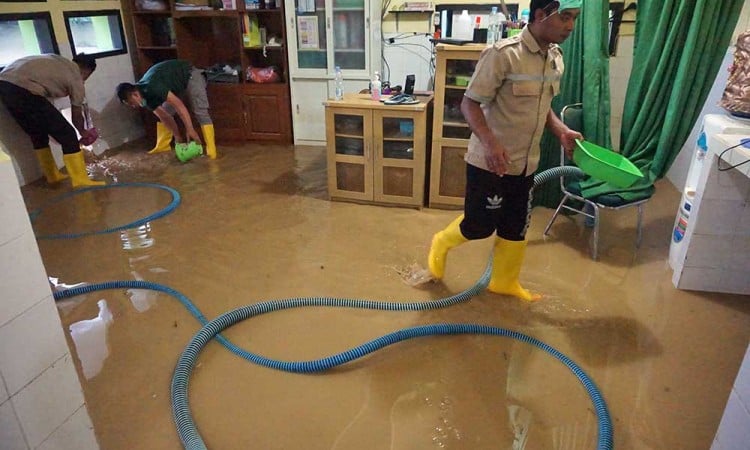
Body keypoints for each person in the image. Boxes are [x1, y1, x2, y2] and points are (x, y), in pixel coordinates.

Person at [428, 0, 583, 301]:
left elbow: (543, 105)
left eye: (574, 19)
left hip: (526, 163)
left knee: (516, 226)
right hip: (490, 162)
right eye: (565, 17)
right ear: (541, 15)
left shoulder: (555, 57)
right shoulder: (502, 56)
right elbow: (469, 103)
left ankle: (504, 282)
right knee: (478, 226)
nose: (571, 26)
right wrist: (490, 142)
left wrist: (561, 130)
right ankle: (440, 243)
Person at [0, 53, 104, 187]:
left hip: (3, 86)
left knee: (37, 133)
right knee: (68, 134)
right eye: (87, 77)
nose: (84, 81)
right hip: (24, 90)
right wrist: (82, 131)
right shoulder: (76, 75)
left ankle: (52, 175)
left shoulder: (56, 61)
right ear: (86, 70)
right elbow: (76, 115)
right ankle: (80, 180)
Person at [115, 59, 217, 159]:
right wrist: (177, 136)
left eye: (131, 103)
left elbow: (179, 106)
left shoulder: (152, 87)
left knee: (200, 110)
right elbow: (164, 116)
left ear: (135, 94)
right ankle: (163, 145)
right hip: (175, 85)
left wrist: (190, 129)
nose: (133, 106)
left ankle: (211, 150)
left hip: (190, 75)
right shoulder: (144, 98)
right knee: (166, 111)